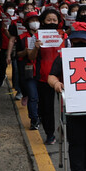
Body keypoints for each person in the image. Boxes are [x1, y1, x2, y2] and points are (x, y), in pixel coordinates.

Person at [47, 23, 86, 171]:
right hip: (73, 104)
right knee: (76, 138)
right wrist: (57, 84)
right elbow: (52, 76)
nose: (81, 44)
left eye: (83, 41)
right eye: (78, 40)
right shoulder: (64, 57)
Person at [34, 8, 67, 145]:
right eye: (49, 20)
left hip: (63, 77)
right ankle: (50, 134)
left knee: (65, 106)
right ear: (43, 21)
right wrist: (36, 47)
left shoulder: (64, 36)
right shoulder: (37, 36)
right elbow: (31, 56)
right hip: (44, 77)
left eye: (54, 20)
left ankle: (63, 128)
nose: (52, 22)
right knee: (46, 107)